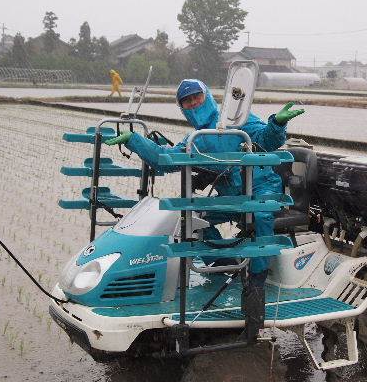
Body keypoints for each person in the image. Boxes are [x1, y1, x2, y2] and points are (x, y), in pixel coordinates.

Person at [105, 79, 304, 339]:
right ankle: (226, 265)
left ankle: (256, 288)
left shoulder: (236, 120)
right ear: (183, 109)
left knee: (261, 215)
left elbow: (266, 141)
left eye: (196, 97)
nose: (193, 103)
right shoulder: (194, 139)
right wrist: (134, 140)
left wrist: (277, 123)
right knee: (193, 222)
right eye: (186, 102)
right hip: (231, 198)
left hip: (261, 188)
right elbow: (165, 161)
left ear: (208, 96)